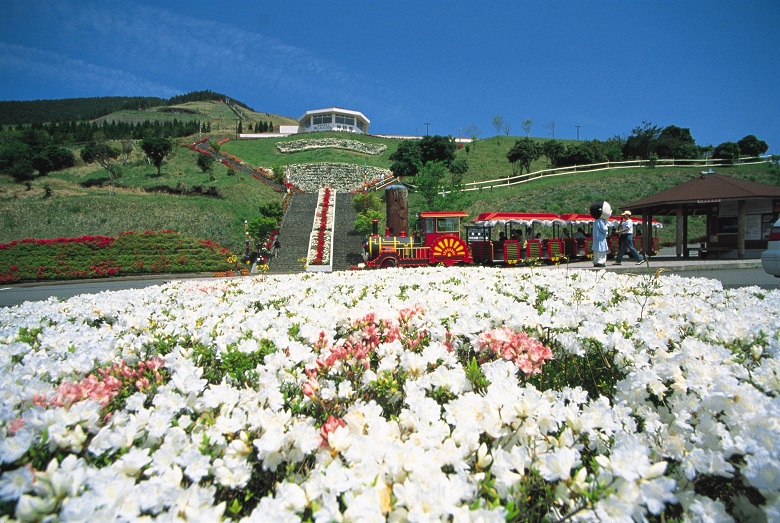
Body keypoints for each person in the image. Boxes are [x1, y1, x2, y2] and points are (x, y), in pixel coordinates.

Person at [590, 201, 611, 268]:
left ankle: (596, 261)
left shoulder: (596, 221)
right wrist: (606, 225)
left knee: (596, 251)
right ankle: (600, 261)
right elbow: (604, 230)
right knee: (602, 251)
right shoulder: (601, 221)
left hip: (596, 238)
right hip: (601, 238)